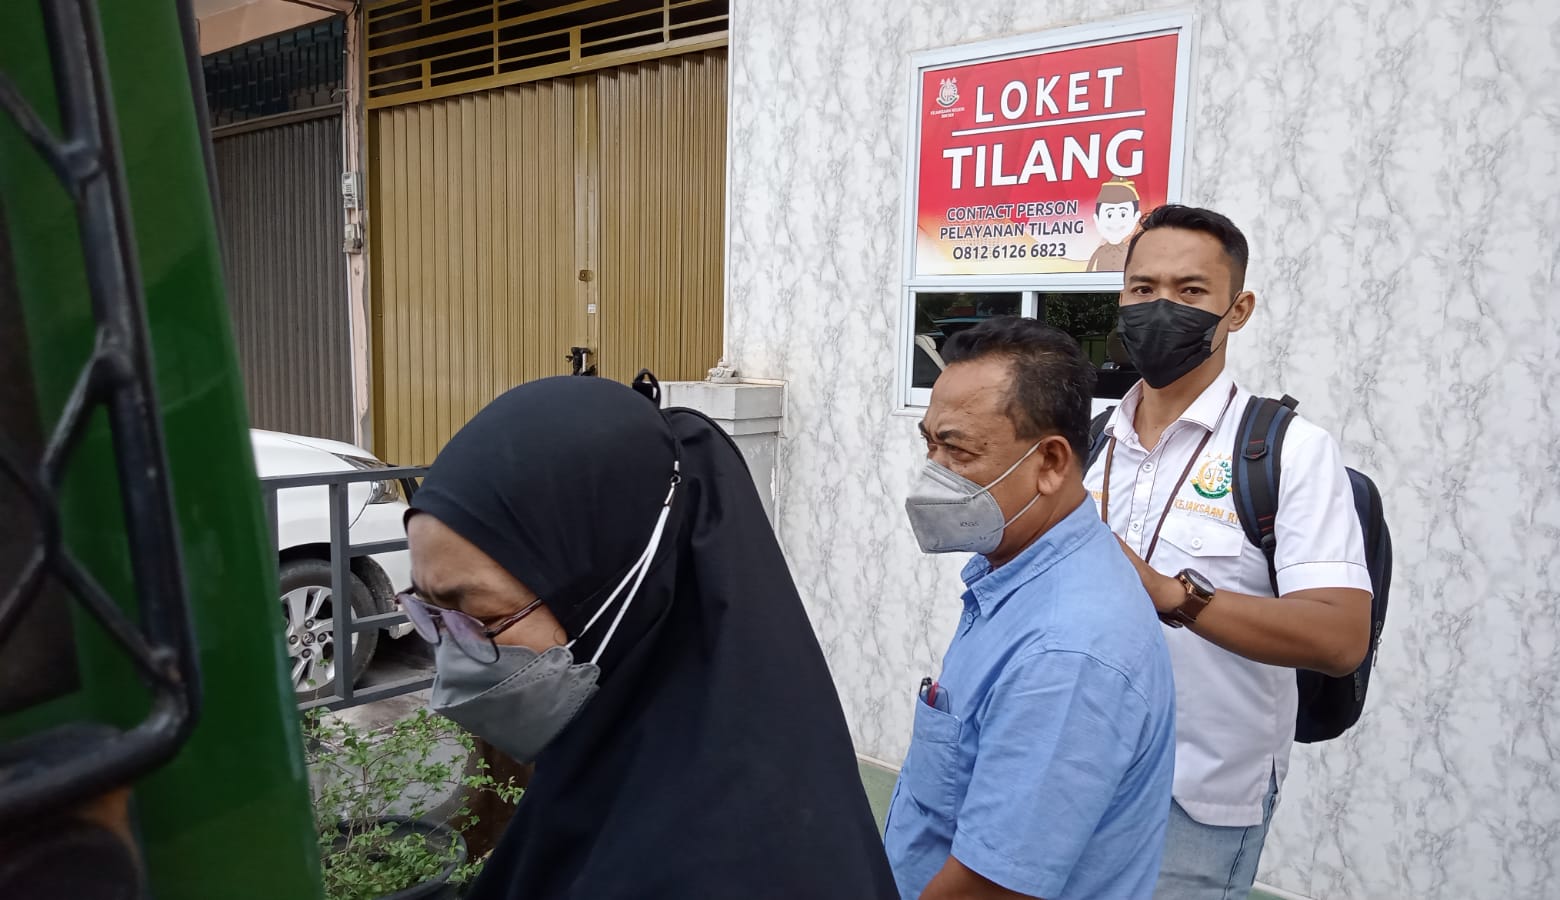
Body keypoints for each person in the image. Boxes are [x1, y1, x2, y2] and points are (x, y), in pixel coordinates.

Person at [400, 376, 898, 900]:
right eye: (425, 608)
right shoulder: (613, 740)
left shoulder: (727, 861)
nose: (448, 654)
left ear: (611, 589)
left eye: (476, 615)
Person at [1085, 204, 1373, 899]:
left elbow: (1339, 637)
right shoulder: (1086, 441)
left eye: (1190, 291)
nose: (1162, 308)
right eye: (1143, 288)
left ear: (1237, 310)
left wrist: (1171, 594)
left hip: (1196, 797)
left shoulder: (1288, 451)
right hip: (1076, 771)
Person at [885, 316, 1177, 900]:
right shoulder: (1017, 576)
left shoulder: (1068, 653)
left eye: (958, 450)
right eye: (930, 444)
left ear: (1050, 463)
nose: (933, 474)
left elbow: (991, 886)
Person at [1086, 179, 1141, 272]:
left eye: (1123, 214)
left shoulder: (1130, 252)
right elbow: (1088, 272)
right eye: (1109, 214)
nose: (1115, 221)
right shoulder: (1100, 251)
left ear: (1136, 217)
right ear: (1096, 219)